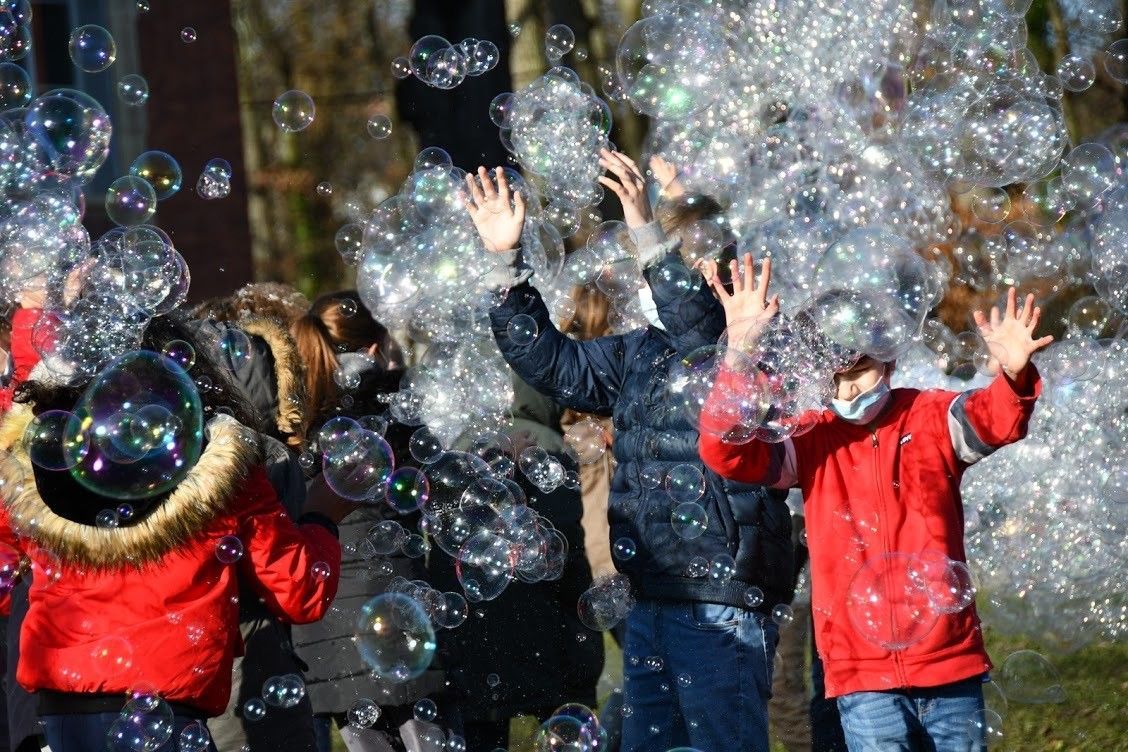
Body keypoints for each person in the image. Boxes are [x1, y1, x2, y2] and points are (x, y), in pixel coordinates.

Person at [467, 153, 795, 752]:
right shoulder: (642, 352)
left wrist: (645, 222)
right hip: (651, 594)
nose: (651, 273)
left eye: (674, 258)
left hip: (721, 602)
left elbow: (699, 327)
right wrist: (505, 266)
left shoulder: (747, 347)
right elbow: (552, 364)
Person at [699, 258, 1052, 752]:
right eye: (836, 380)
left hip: (946, 656)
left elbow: (996, 419)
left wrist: (1015, 377)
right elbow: (724, 450)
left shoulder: (931, 416)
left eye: (861, 371)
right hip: (858, 670)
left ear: (886, 359)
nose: (850, 390)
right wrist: (739, 354)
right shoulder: (811, 438)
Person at [0, 313, 351, 752]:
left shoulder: (40, 464)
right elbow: (299, 590)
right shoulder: (222, 465)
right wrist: (322, 516)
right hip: (169, 704)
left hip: (61, 711)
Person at [290, 292, 448, 752]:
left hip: (324, 620)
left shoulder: (293, 416)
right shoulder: (392, 410)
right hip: (394, 605)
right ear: (375, 349)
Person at [430, 375, 603, 752]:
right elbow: (567, 560)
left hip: (475, 649)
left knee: (481, 733)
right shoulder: (550, 453)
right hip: (551, 643)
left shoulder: (448, 458)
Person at [190, 284, 320, 752]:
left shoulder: (159, 460)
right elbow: (296, 589)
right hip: (248, 648)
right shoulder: (261, 463)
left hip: (172, 665)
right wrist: (323, 519)